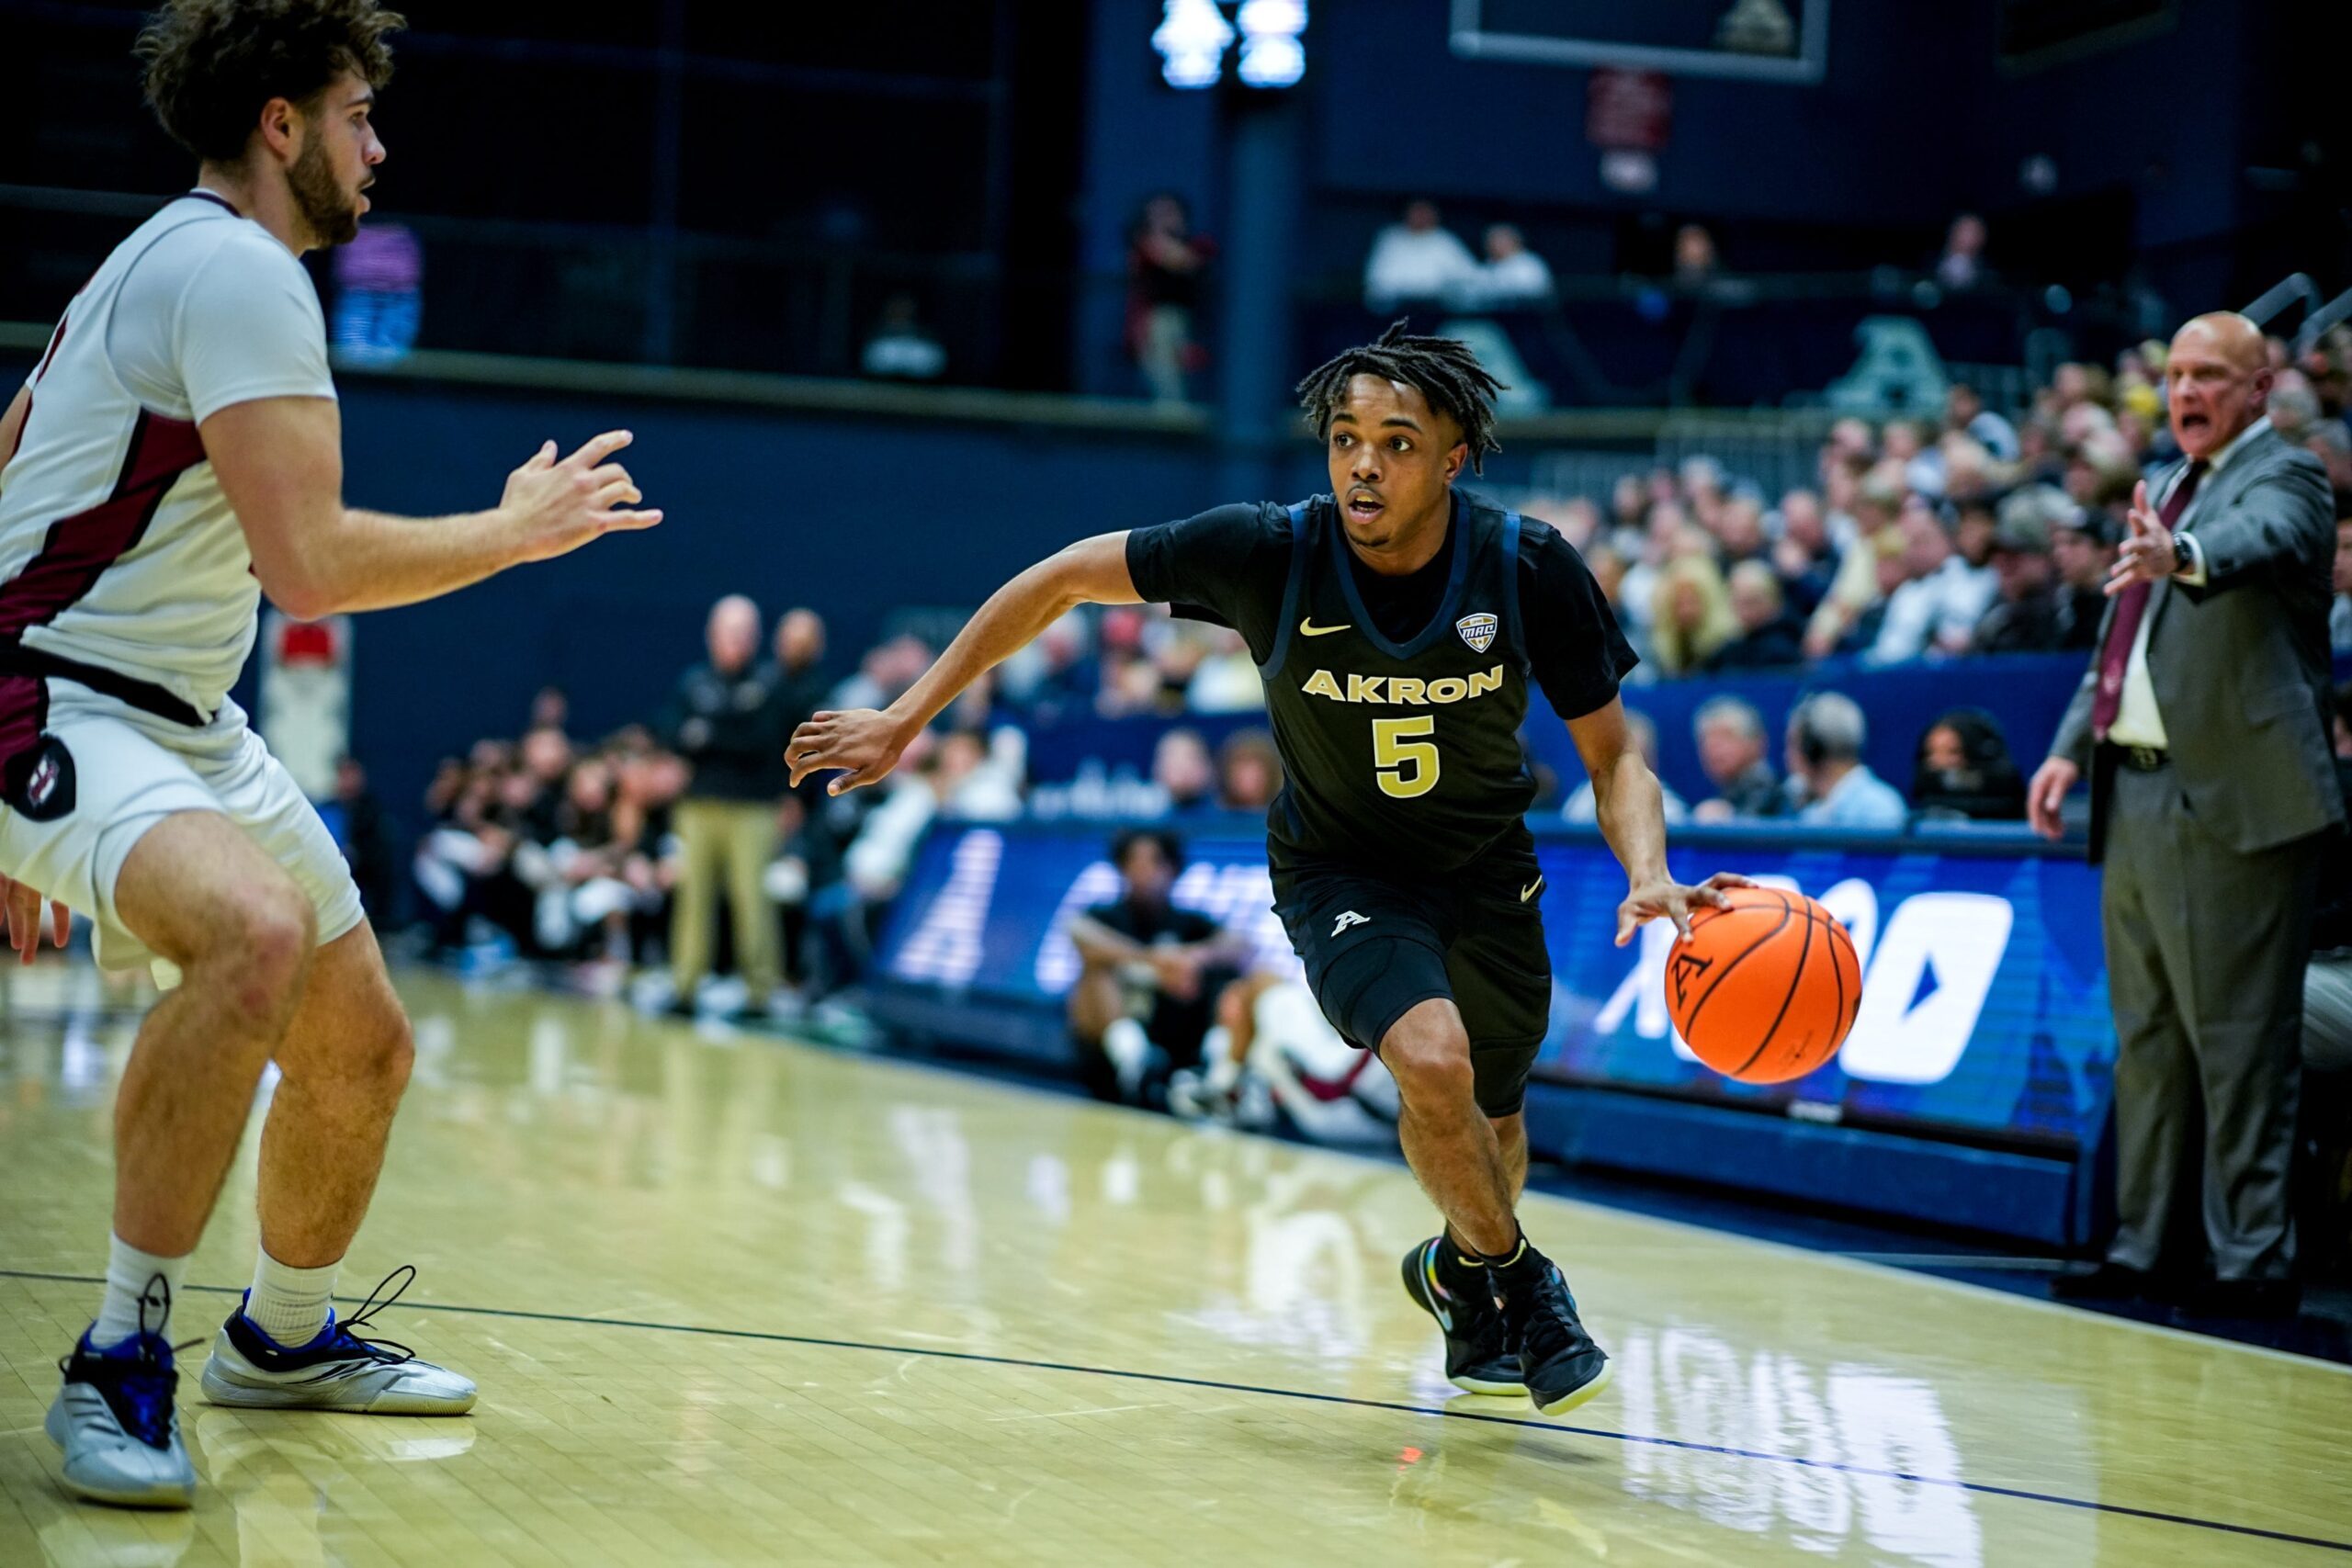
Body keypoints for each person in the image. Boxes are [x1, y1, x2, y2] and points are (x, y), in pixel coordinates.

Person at [789, 323, 1740, 1418]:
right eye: (1344, 440)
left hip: (1487, 870)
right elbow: (1059, 581)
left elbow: (1615, 757)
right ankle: (1526, 1287)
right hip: (1342, 873)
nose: (1362, 465)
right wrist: (908, 717)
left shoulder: (1527, 566)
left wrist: (1648, 867)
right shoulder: (1268, 551)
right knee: (1430, 1061)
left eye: (1395, 443)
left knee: (1493, 1128)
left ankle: (1459, 1272)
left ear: (1453, 458)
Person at [0, 0, 662, 1508]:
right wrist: (509, 533)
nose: (379, 146)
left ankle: (282, 1336)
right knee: (252, 930)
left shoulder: (157, 257)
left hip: (173, 712)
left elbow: (12, 453)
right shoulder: (238, 269)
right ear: (281, 122)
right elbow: (305, 567)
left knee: (360, 1042)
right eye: (358, 115)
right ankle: (118, 1355)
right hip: (58, 697)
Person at [2030, 311, 2339, 1318]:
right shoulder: (2165, 485)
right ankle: (2143, 1248)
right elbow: (2118, 639)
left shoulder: (2285, 474)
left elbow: (2260, 541)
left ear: (2259, 389)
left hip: (2240, 800)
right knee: (2150, 1039)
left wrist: (2185, 552)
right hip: (2137, 791)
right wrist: (2067, 749)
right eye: (2175, 375)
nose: (2186, 391)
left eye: (2210, 374)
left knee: (2241, 1040)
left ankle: (2251, 1260)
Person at [662, 596, 786, 1019]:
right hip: (698, 805)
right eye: (728, 632)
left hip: (753, 808)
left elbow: (762, 742)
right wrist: (724, 734)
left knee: (752, 899)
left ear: (756, 638)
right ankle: (685, 986)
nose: (736, 641)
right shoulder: (694, 682)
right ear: (711, 636)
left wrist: (710, 735)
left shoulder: (769, 685)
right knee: (692, 898)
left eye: (744, 633)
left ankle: (760, 992)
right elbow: (674, 734)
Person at [1064, 828, 1244, 1102]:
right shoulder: (1104, 916)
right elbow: (1078, 933)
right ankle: (1135, 1064)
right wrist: (1154, 961)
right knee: (1095, 975)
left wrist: (1193, 958)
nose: (1144, 871)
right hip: (1113, 1041)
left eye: (1154, 862)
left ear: (1173, 869)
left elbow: (1241, 945)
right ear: (1121, 868)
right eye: (1134, 862)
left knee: (1231, 979)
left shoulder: (1189, 922)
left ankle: (1217, 1074)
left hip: (1177, 1028)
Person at [1127, 194, 1213, 404]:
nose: (1166, 218)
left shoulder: (1191, 243)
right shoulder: (1146, 242)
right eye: (1159, 213)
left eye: (1171, 212)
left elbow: (1195, 261)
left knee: (1184, 383)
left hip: (1185, 319)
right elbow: (1178, 261)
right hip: (1156, 320)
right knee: (1166, 384)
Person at [1786, 694, 1908, 829]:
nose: (1786, 755)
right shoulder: (1811, 813)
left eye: (1793, 744)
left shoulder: (1879, 809)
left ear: (1814, 750)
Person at [1363, 200, 1478, 313]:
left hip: (1438, 308)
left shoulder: (1446, 240)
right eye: (1416, 212)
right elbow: (1377, 279)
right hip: (1398, 309)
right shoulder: (1391, 238)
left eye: (1425, 212)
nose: (1420, 217)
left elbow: (1467, 275)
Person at [1911, 710, 2025, 820]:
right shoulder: (1926, 803)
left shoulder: (2002, 783)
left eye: (1953, 752)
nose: (1940, 761)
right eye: (1931, 753)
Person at [1690, 696, 1783, 822]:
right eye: (1706, 739)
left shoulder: (1768, 791)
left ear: (1756, 743)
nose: (1714, 747)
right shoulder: (1732, 792)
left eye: (1726, 736)